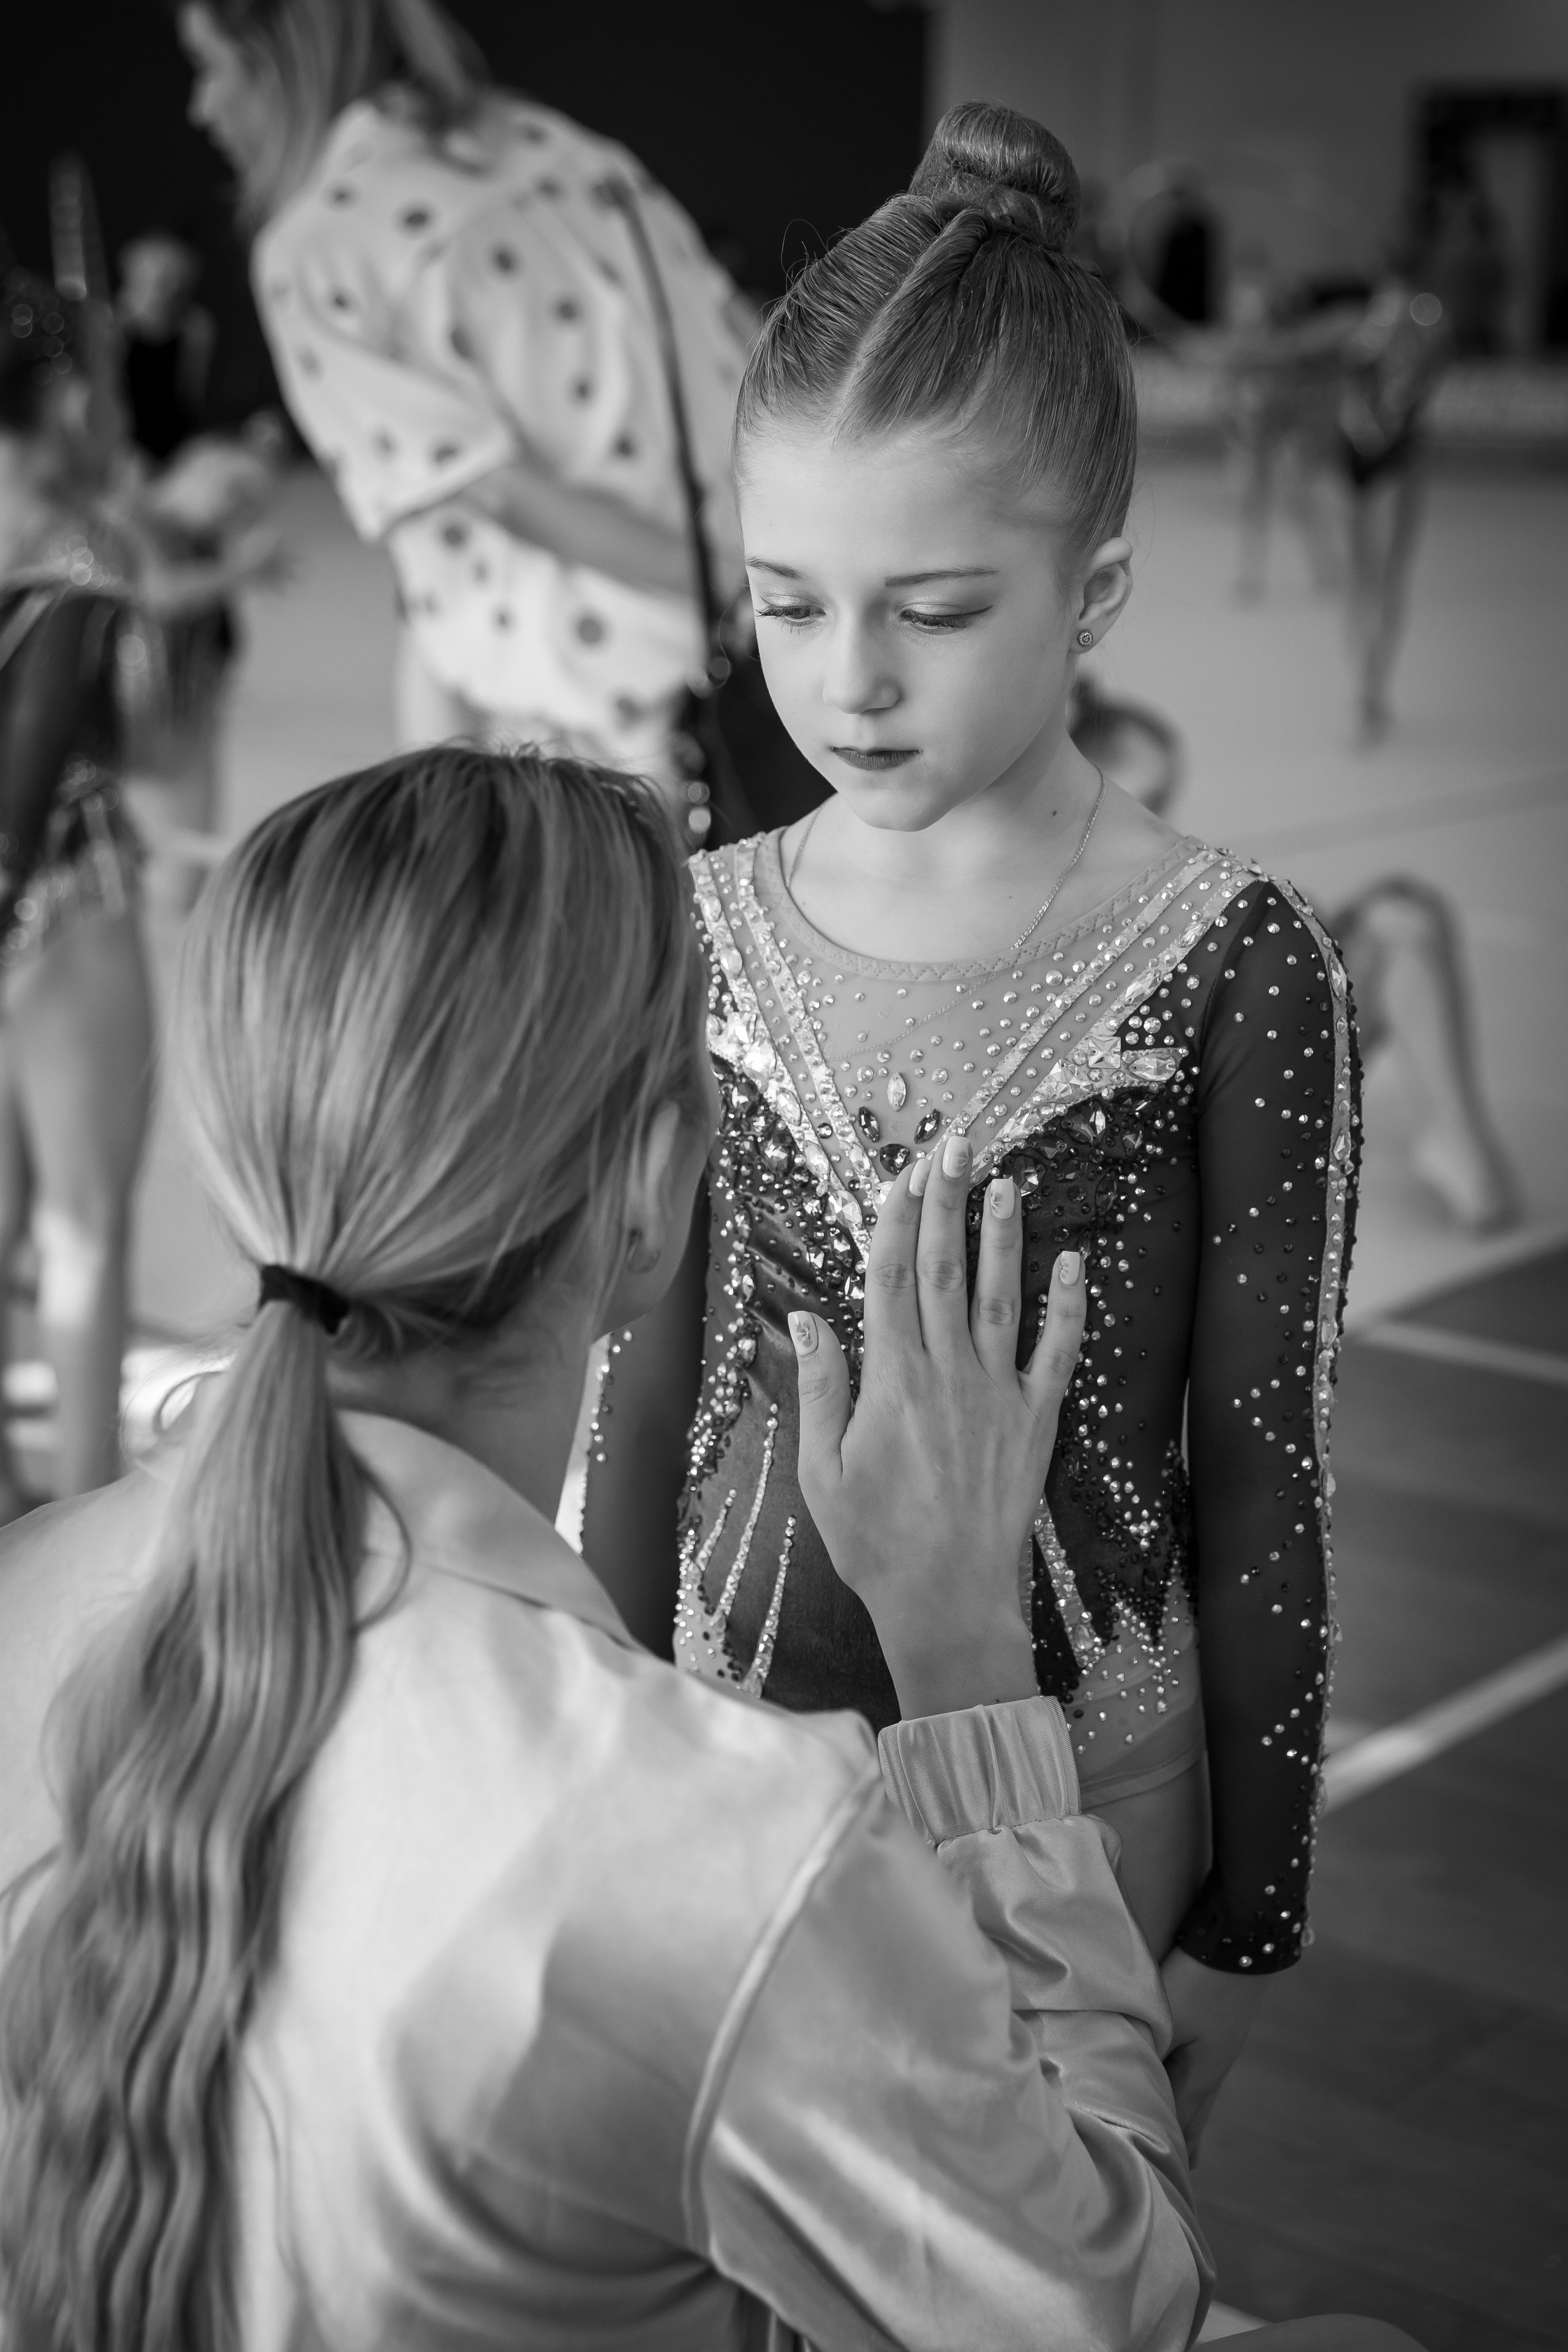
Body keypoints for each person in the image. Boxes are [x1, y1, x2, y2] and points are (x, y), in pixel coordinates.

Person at [0, 745, 1415, 2352]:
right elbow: (1116, 2305)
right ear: (660, 1188)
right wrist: (964, 1667)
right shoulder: (710, 1849)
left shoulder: (33, 1592)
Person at [584, 102, 1361, 2160]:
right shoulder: (705, 920)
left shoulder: (1235, 956)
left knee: (1057, 2257)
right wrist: (607, 1756)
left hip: (1096, 1793)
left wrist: (1242, 1918)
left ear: (1094, 585)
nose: (849, 681)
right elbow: (643, 1393)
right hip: (737, 1758)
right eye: (788, 600)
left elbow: (1262, 1462)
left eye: (932, 611)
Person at [178, 0, 749, 842]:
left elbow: (493, 492)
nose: (202, 106)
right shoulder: (557, 144)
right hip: (749, 666)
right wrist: (779, 581)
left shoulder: (316, 247)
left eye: (212, 65)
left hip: (581, 723)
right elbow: (741, 334)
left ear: (281, 61)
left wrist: (732, 582)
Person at [0, 273, 153, 1513]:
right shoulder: (80, 552)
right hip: (60, 904)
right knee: (84, 1227)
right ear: (56, 396)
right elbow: (101, 747)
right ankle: (86, 1513)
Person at [115, 232, 215, 464]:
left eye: (172, 279)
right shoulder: (111, 326)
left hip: (179, 450)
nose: (162, 289)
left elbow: (192, 399)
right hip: (120, 451)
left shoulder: (196, 327)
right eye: (151, 279)